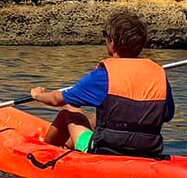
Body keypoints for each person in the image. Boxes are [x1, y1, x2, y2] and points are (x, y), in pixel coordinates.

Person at [29, 11, 174, 156]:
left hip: (106, 150)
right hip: (148, 150)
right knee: (80, 111)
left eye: (106, 36)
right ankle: (67, 147)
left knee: (68, 114)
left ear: (112, 42)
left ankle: (43, 154)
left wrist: (38, 96)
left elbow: (56, 99)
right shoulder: (158, 75)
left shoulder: (103, 76)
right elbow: (167, 115)